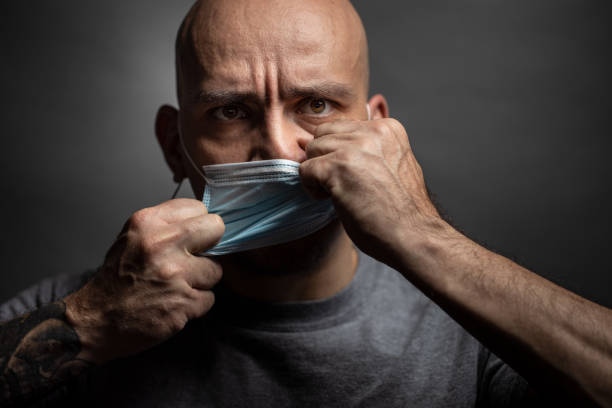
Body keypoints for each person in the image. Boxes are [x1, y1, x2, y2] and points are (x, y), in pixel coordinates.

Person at [1, 0, 611, 406]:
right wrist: (92, 322)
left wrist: (423, 235)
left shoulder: (481, 329)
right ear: (174, 145)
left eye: (316, 105)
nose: (278, 145)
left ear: (378, 135)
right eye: (230, 110)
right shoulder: (70, 317)